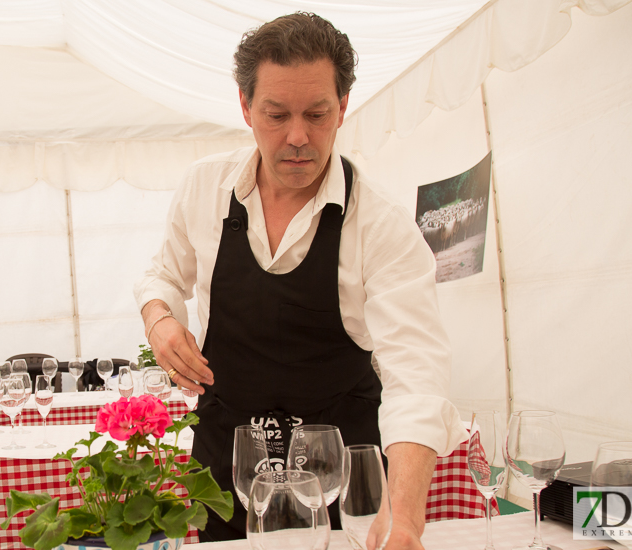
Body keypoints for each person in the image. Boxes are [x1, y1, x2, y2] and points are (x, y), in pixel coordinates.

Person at [134, 13, 465, 549]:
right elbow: (163, 273)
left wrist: (403, 515)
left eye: (317, 114)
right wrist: (160, 319)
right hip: (230, 469)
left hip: (340, 481)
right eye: (275, 114)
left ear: (344, 105)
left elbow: (417, 375)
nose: (297, 137)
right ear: (244, 107)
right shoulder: (204, 188)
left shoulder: (379, 222)